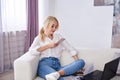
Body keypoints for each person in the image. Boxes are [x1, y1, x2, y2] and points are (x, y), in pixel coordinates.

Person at [29, 16, 85, 80]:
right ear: (46, 25)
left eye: (56, 27)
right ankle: (58, 74)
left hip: (57, 66)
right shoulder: (39, 38)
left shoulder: (58, 36)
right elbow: (31, 51)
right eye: (52, 26)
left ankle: (57, 73)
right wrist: (48, 46)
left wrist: (77, 65)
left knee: (81, 62)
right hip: (44, 65)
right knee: (59, 79)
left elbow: (71, 49)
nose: (54, 29)